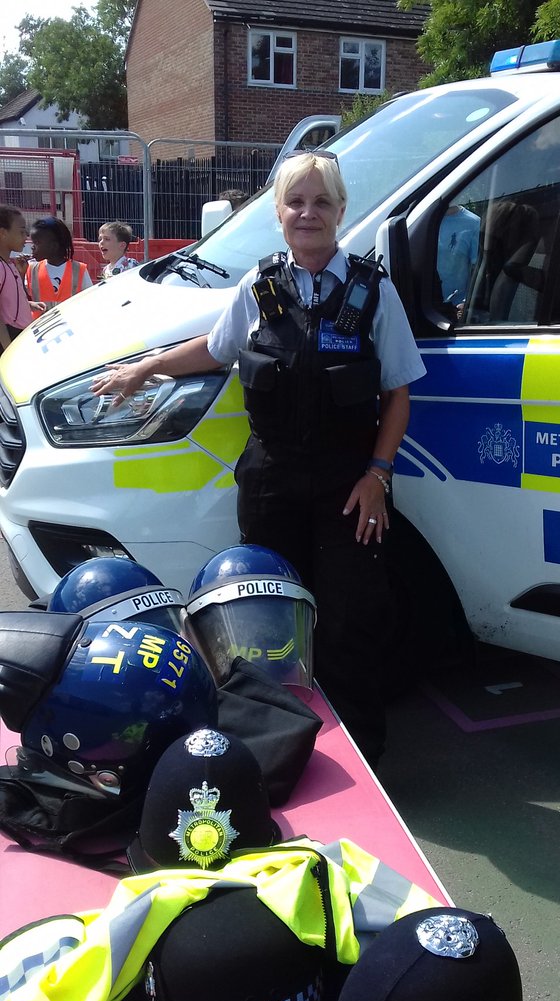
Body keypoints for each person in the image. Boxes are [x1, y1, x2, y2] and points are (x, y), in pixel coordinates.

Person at [91, 151, 426, 766]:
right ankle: (274, 755)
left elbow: (398, 395)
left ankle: (361, 761)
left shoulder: (374, 291)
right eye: (295, 202)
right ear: (278, 213)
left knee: (350, 623)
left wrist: (378, 476)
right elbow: (215, 348)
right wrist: (145, 368)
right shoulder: (259, 286)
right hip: (272, 482)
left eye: (321, 202)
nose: (308, 213)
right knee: (264, 623)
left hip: (349, 486)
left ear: (341, 211)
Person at [0, 205, 45, 353]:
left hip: (20, 335)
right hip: (10, 340)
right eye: (21, 231)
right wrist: (8, 351)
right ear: (3, 233)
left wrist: (29, 304)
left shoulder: (9, 264)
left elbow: (8, 300)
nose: (26, 237)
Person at [26, 215, 92, 308]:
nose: (32, 247)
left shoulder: (79, 270)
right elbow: (23, 301)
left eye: (37, 243)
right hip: (42, 318)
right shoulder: (31, 269)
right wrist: (21, 274)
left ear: (54, 246)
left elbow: (89, 301)